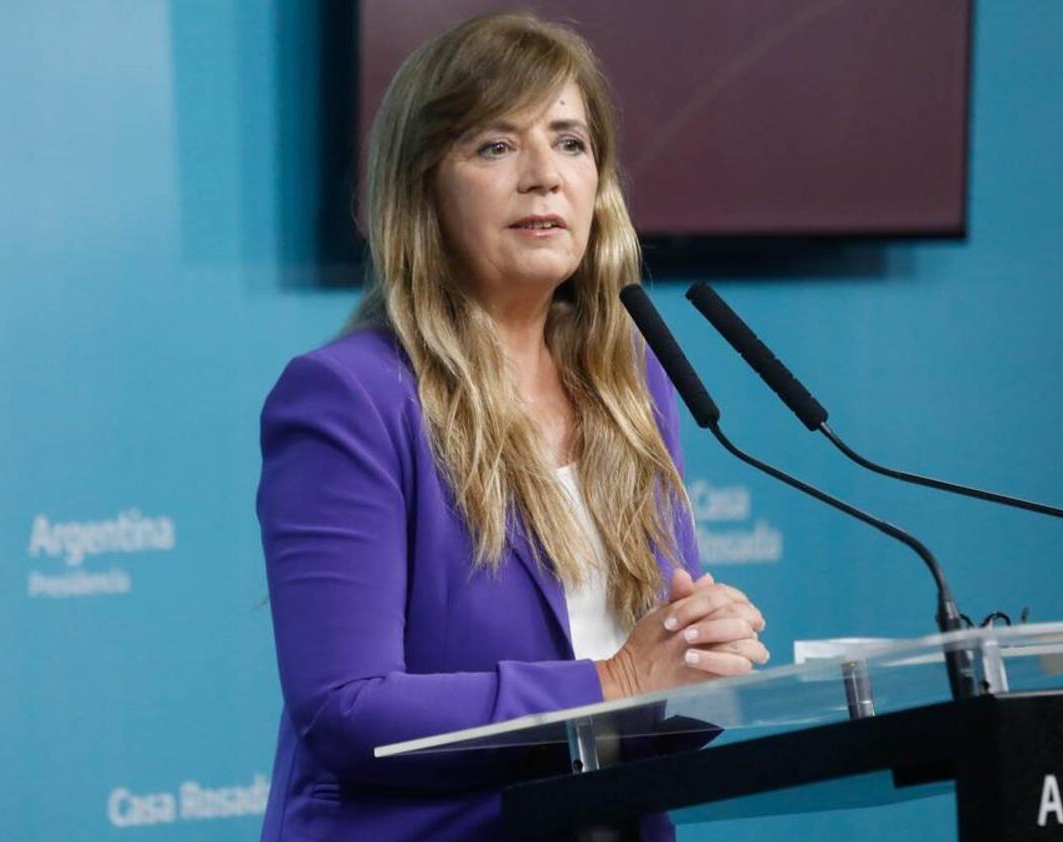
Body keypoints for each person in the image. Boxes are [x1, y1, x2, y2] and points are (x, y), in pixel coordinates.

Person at [255, 11, 768, 841]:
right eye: (495, 147)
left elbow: (653, 704)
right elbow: (346, 711)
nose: (544, 176)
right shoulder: (350, 398)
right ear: (421, 188)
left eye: (570, 142)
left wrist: (701, 659)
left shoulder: (628, 382)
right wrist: (614, 679)